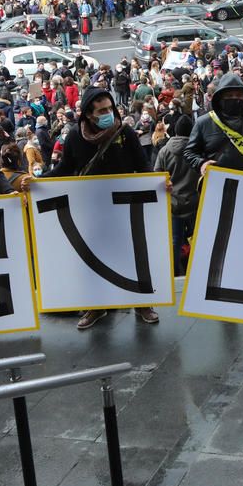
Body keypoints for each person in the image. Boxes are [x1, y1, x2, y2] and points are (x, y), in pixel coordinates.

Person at [46, 87, 160, 329]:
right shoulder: (76, 137)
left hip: (125, 208)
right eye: (102, 110)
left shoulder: (124, 132)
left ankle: (142, 304)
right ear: (88, 114)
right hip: (92, 210)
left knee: (132, 256)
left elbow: (143, 166)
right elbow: (64, 169)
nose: (108, 113)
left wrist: (158, 186)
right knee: (93, 258)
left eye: (110, 108)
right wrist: (36, 182)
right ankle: (96, 307)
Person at [184, 73, 243, 177]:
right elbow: (189, 152)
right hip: (217, 185)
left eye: (238, 95)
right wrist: (201, 163)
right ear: (220, 98)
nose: (234, 99)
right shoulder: (203, 122)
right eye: (229, 96)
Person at [155, 113, 201, 275]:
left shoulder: (164, 151)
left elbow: (157, 176)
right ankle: (198, 270)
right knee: (198, 238)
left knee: (174, 240)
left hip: (172, 203)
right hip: (196, 202)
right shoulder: (198, 151)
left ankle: (173, 272)